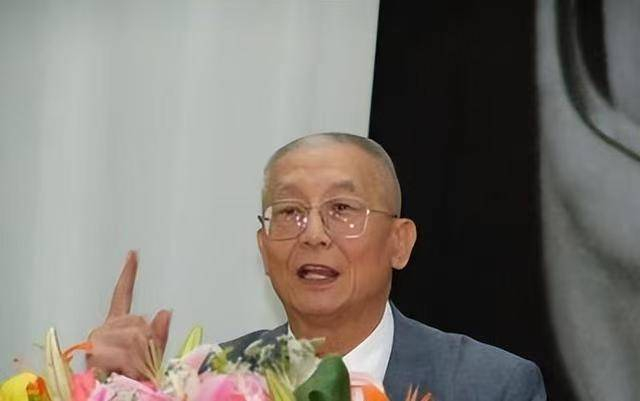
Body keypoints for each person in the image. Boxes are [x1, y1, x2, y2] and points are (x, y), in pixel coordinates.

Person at [86, 133, 546, 401]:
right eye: (289, 212)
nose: (314, 234)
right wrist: (114, 391)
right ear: (264, 248)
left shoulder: (489, 386)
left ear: (399, 242)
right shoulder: (205, 381)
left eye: (342, 209)